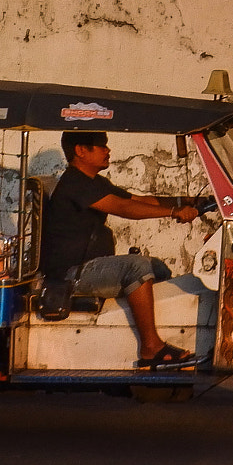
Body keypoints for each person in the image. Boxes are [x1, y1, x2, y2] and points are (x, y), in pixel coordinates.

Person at [41, 130, 202, 370]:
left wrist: (187, 202)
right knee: (136, 266)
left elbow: (139, 200)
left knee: (156, 267)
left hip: (89, 266)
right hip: (71, 275)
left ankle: (164, 337)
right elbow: (124, 208)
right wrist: (173, 213)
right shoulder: (74, 182)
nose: (108, 150)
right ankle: (151, 348)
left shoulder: (94, 182)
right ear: (80, 151)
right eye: (101, 146)